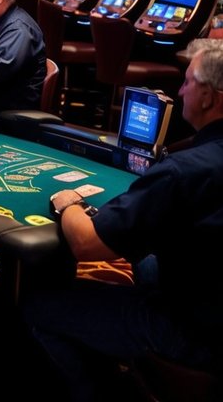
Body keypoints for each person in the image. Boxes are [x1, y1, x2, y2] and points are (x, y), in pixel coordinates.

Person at [24, 39, 223, 402]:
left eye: (188, 82)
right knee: (146, 261)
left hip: (195, 333)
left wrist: (69, 203)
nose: (180, 91)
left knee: (39, 305)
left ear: (209, 97)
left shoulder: (182, 170)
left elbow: (86, 245)